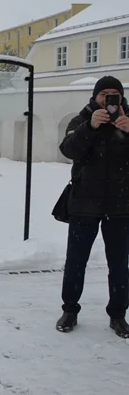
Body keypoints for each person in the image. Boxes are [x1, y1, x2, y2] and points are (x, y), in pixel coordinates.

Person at [56, 76, 129, 338]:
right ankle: (70, 310)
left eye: (115, 94)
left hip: (121, 206)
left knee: (120, 264)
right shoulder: (81, 120)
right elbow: (68, 150)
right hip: (84, 205)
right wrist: (90, 127)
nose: (109, 99)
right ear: (95, 97)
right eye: (104, 94)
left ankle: (118, 314)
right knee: (76, 261)